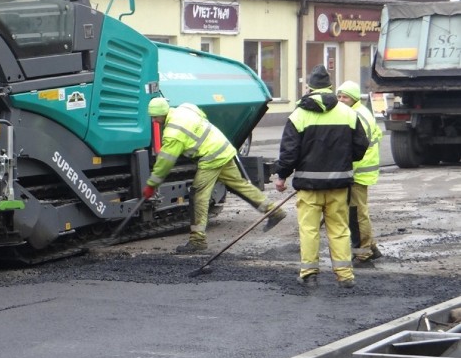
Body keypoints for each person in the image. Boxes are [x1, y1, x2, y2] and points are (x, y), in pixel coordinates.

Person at [144, 98, 287, 254]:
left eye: (155, 117)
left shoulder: (173, 133)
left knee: (198, 195)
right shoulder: (185, 108)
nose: (154, 121)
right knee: (240, 185)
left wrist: (152, 185)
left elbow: (165, 163)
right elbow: (202, 116)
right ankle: (274, 211)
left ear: (162, 114)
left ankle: (197, 240)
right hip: (223, 148)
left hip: (211, 156)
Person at [273, 65, 369, 289]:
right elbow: (360, 145)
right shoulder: (348, 113)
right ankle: (345, 276)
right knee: (339, 229)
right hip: (338, 185)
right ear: (330, 88)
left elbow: (289, 152)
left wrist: (282, 175)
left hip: (308, 187)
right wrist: (343, 160)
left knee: (309, 229)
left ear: (309, 88)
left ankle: (309, 274)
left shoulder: (299, 115)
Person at [336, 80, 383, 264]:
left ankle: (363, 253)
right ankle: (371, 247)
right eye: (339, 96)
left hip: (357, 172)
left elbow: (353, 146)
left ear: (354, 98)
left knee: (356, 214)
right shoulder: (361, 111)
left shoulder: (355, 116)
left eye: (345, 97)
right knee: (357, 211)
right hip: (361, 170)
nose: (341, 100)